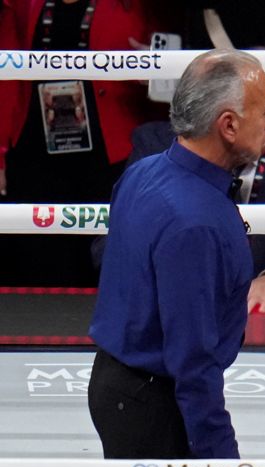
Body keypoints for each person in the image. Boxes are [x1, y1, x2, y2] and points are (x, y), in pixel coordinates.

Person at [87, 49, 265, 467]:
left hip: (126, 388)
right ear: (227, 124)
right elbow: (192, 365)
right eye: (263, 110)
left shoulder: (144, 175)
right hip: (156, 401)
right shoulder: (196, 218)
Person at [95, 78, 265, 311]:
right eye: (257, 123)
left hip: (261, 313)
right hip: (171, 308)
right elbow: (110, 245)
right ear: (226, 114)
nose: (264, 135)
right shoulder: (158, 145)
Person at [0, 0, 173, 287]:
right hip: (35, 153)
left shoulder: (136, 7)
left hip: (112, 156)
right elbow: (7, 83)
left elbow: (168, 64)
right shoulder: (21, 5)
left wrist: (155, 72)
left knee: (109, 258)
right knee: (39, 261)